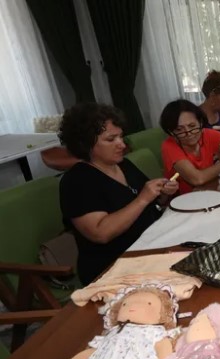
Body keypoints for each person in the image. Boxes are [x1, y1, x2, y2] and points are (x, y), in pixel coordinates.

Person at [58, 103, 178, 285]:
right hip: (114, 268)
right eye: (110, 139)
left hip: (151, 247)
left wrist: (163, 193)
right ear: (86, 143)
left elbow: (151, 203)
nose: (121, 144)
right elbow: (100, 233)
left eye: (121, 136)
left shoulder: (123, 164)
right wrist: (143, 198)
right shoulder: (76, 181)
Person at [160, 99, 220, 195]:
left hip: (210, 191)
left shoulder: (206, 134)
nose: (188, 133)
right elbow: (197, 179)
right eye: (179, 129)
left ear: (201, 122)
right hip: (186, 198)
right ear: (171, 132)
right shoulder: (169, 146)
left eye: (192, 126)